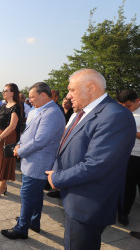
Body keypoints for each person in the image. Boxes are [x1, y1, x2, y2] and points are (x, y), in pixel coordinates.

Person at [45, 69, 136, 249]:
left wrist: (57, 178)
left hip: (89, 202)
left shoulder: (115, 115)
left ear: (90, 87)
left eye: (71, 90)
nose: (68, 95)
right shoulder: (86, 112)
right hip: (77, 196)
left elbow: (97, 164)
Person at [1, 82, 65, 240]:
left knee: (27, 195)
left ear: (44, 95)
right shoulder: (39, 110)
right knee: (35, 195)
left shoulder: (52, 114)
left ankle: (21, 228)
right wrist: (18, 145)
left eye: (32, 97)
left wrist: (19, 151)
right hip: (32, 160)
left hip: (39, 162)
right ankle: (33, 222)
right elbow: (28, 133)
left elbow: (40, 140)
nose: (30, 100)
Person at [0, 83, 22, 198]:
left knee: (5, 162)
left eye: (6, 90)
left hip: (6, 139)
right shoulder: (4, 105)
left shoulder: (16, 106)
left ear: (13, 92)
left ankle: (2, 186)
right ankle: (2, 184)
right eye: (3, 91)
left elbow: (12, 126)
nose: (3, 93)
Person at [117, 90, 140, 226]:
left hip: (137, 156)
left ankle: (124, 212)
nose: (125, 109)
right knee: (125, 185)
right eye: (122, 106)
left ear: (137, 101)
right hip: (124, 155)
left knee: (131, 187)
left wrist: (130, 130)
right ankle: (121, 210)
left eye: (128, 106)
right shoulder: (122, 112)